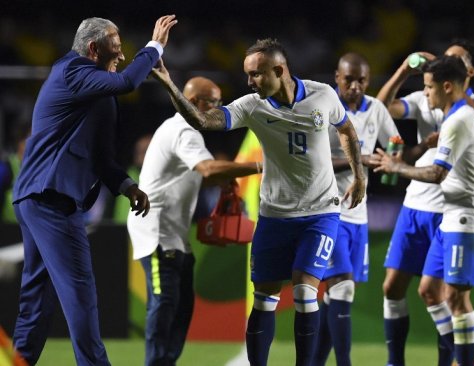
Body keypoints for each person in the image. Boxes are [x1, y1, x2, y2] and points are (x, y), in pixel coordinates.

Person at [151, 38, 366, 366]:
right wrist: (169, 84)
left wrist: (359, 175)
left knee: (305, 293)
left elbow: (347, 130)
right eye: (247, 74)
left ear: (279, 70)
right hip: (274, 215)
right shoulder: (252, 105)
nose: (249, 81)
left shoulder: (323, 94)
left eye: (256, 74)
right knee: (264, 299)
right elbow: (204, 121)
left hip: (319, 213)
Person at [10, 15, 177, 365]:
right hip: (50, 198)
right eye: (116, 48)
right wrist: (155, 46)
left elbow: (102, 160)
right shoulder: (71, 72)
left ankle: (20, 360)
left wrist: (127, 185)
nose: (121, 55)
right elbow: (131, 80)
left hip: (41, 198)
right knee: (79, 292)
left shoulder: (98, 93)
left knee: (37, 297)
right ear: (92, 49)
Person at [376, 40, 474, 366]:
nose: (425, 92)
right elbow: (381, 108)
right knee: (420, 289)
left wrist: (395, 166)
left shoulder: (473, 109)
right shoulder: (440, 106)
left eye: (431, 86)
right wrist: (406, 69)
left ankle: (463, 361)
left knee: (454, 297)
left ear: (461, 76)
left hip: (461, 211)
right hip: (431, 207)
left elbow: (438, 172)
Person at [127, 76, 260, 366]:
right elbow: (208, 169)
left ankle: (166, 360)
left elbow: (202, 173)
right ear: (195, 103)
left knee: (181, 305)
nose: (218, 108)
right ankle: (157, 362)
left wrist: (225, 181)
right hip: (157, 233)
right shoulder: (184, 130)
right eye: (213, 102)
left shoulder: (184, 130)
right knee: (164, 303)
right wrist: (259, 166)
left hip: (174, 234)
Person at [313, 52, 401, 366]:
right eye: (348, 79)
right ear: (336, 77)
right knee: (344, 288)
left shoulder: (375, 108)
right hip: (326, 211)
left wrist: (394, 156)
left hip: (358, 215)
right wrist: (359, 160)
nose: (355, 85)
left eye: (361, 80)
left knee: (333, 295)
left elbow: (395, 139)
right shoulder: (323, 106)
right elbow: (314, 161)